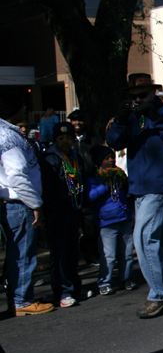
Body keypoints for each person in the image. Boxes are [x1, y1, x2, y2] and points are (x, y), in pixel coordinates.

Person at [106, 74, 163, 319]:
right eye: (134, 97)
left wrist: (154, 115)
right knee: (158, 239)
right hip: (139, 187)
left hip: (161, 184)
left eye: (143, 95)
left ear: (154, 92)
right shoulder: (130, 117)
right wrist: (121, 120)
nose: (138, 100)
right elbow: (114, 142)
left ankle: (160, 294)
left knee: (144, 236)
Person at [0, 100, 53, 316]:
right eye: (21, 107)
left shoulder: (5, 133)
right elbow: (16, 176)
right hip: (18, 203)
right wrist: (35, 204)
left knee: (16, 252)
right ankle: (22, 301)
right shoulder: (8, 137)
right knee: (22, 253)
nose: (25, 111)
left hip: (13, 202)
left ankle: (18, 297)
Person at [41, 122, 88, 308]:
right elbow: (48, 189)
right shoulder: (49, 158)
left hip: (73, 210)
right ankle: (62, 291)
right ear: (54, 140)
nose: (66, 141)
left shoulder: (75, 156)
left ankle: (75, 286)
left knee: (72, 252)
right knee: (59, 253)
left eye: (69, 138)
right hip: (57, 213)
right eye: (61, 138)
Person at [87, 146, 136, 295]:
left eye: (112, 157)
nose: (111, 160)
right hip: (107, 220)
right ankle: (105, 282)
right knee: (109, 254)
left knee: (127, 252)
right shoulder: (94, 176)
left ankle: (125, 278)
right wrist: (105, 186)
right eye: (106, 158)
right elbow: (91, 196)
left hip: (124, 216)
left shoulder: (119, 175)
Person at [68, 108, 103, 265]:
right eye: (74, 120)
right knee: (72, 225)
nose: (77, 123)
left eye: (80, 120)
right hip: (72, 187)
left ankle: (91, 254)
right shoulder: (67, 140)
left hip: (90, 184)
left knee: (90, 224)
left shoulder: (93, 140)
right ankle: (73, 257)